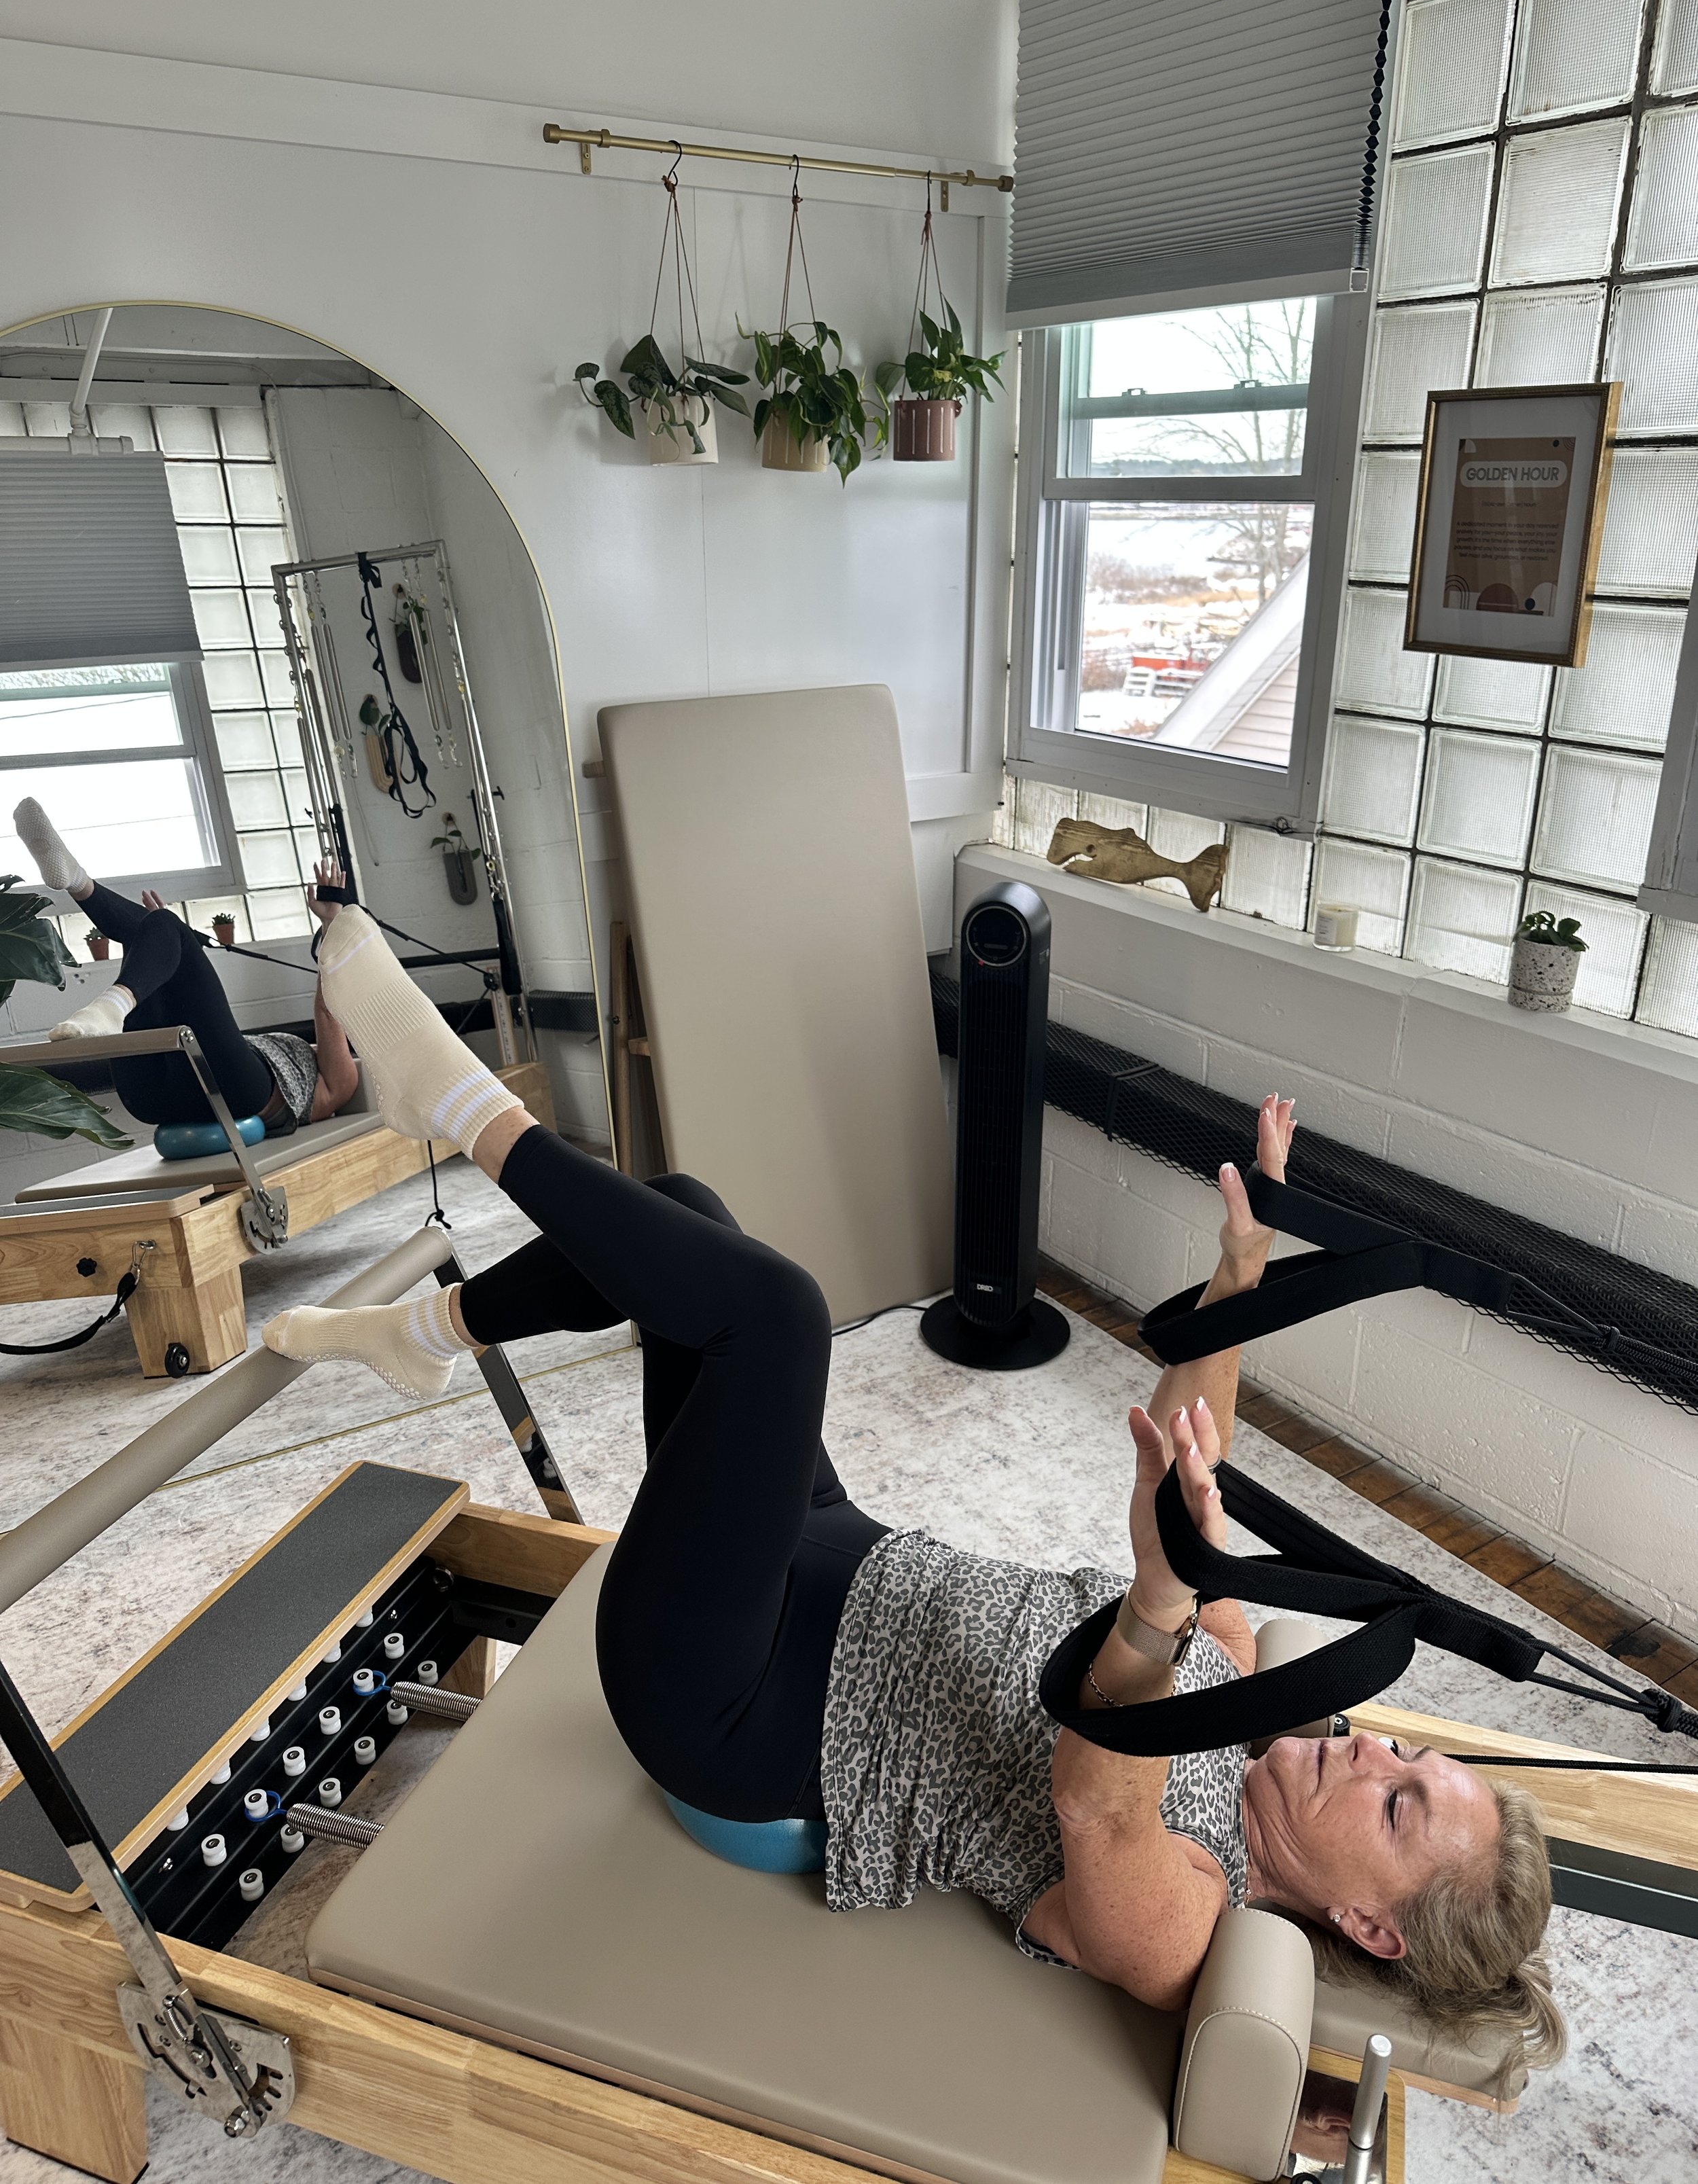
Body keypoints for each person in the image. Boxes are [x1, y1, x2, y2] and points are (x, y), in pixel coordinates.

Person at [264, 901, 1565, 2076]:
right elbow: (1196, 1467)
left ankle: (452, 1100)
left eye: (1398, 1802)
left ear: (1365, 1920)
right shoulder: (1255, 1700)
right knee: (691, 1212)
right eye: (1410, 1752)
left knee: (772, 1316)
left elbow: (1095, 1797)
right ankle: (427, 1337)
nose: (1374, 1749)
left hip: (730, 1699)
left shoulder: (1192, 1916)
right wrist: (1242, 1277)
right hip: (838, 1552)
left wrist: (1159, 1606)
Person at [12, 798, 360, 1139]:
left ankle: (83, 895)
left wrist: (333, 925)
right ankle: (75, 880)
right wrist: (163, 942)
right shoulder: (310, 1064)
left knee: (166, 924)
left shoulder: (345, 1082)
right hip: (155, 1096)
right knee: (155, 929)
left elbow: (329, 1012)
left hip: (232, 1095)